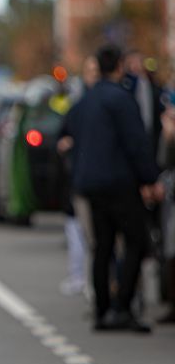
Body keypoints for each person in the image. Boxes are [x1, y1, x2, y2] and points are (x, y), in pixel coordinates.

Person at [67, 44, 161, 333]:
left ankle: (102, 309)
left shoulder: (86, 100)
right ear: (119, 67)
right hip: (119, 183)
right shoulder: (121, 99)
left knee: (102, 246)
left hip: (90, 184)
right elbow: (136, 142)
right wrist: (149, 179)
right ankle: (122, 306)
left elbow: (70, 136)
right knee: (135, 241)